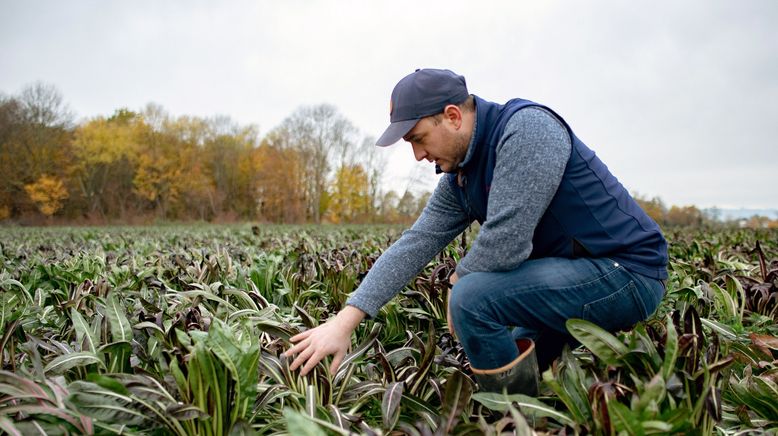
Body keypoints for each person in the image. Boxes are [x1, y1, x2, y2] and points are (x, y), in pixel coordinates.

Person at [285, 68, 668, 395]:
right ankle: (536, 402)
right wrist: (343, 322)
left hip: (626, 273)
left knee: (472, 298)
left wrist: (456, 282)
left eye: (418, 139)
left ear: (452, 116)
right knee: (519, 353)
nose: (417, 155)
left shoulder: (528, 129)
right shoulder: (461, 177)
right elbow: (415, 243)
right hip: (570, 276)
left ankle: (515, 421)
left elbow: (506, 243)